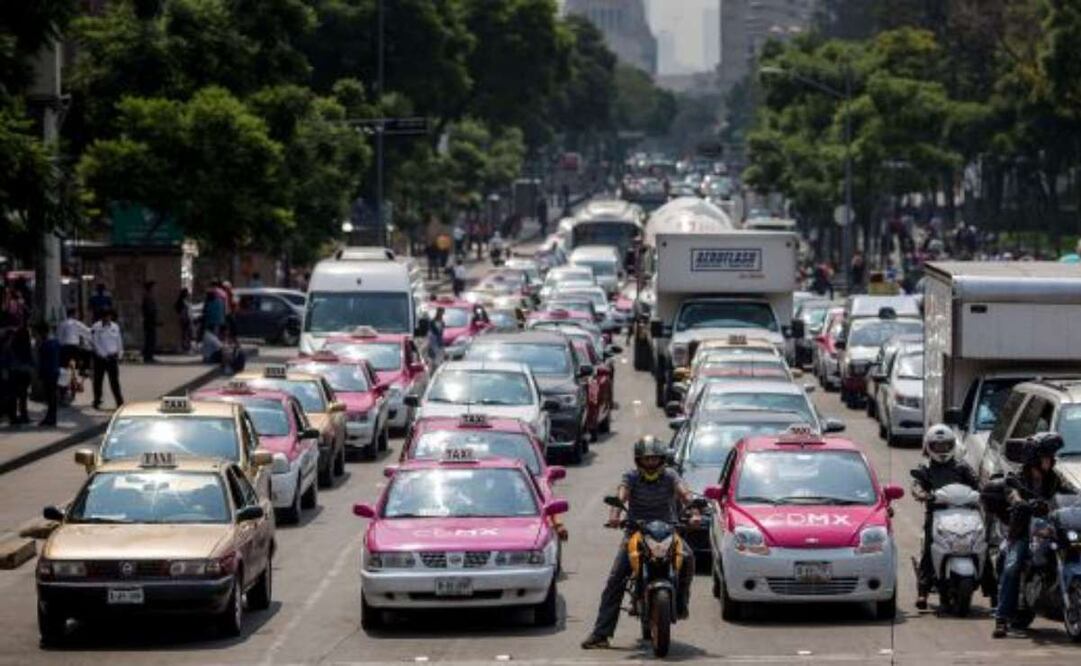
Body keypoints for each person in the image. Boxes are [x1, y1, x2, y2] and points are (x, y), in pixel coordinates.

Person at [581, 436, 699, 650]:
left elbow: (685, 493)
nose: (651, 463)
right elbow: (621, 494)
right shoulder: (631, 477)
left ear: (662, 459)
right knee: (615, 580)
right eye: (647, 459)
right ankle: (601, 634)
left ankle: (681, 603)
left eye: (655, 458)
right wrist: (614, 515)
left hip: (667, 530)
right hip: (636, 532)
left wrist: (694, 511)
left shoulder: (671, 476)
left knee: (689, 558)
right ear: (639, 460)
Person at [989, 432, 1068, 638]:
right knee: (1013, 567)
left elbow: (1069, 492)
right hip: (1023, 531)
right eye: (1046, 456)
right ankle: (1001, 618)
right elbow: (1012, 493)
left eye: (1051, 457)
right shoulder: (1017, 477)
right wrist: (1019, 501)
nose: (1051, 460)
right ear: (1034, 457)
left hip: (1049, 528)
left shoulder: (1054, 478)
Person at [910, 425, 979, 610]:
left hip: (965, 513)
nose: (941, 450)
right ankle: (923, 592)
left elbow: (978, 483)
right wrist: (920, 493)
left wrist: (986, 491)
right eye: (937, 446)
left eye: (946, 446)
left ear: (953, 446)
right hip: (937, 515)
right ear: (928, 447)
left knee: (982, 542)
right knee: (928, 547)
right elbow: (916, 485)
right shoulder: (925, 469)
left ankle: (993, 588)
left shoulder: (962, 467)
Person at [90, 309, 124, 410]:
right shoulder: (96, 327)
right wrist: (102, 355)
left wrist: (120, 353)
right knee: (98, 381)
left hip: (112, 357)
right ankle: (97, 401)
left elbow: (118, 341)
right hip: (101, 358)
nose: (107, 319)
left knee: (114, 381)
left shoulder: (115, 326)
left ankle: (119, 402)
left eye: (109, 317)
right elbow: (95, 342)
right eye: (105, 317)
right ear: (102, 317)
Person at [35, 322, 60, 426]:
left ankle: (51, 418)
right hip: (54, 371)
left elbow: (42, 359)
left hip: (48, 372)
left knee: (50, 396)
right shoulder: (55, 342)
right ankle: (51, 417)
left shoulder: (46, 344)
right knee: (52, 396)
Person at [9, 324, 32, 424]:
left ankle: (13, 416)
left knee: (14, 395)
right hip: (24, 372)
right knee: (23, 396)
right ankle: (24, 415)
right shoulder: (27, 345)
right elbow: (30, 359)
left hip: (14, 372)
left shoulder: (13, 345)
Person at [57, 308, 91, 376]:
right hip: (74, 348)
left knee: (64, 366)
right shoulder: (77, 323)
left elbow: (59, 337)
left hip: (64, 348)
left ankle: (64, 380)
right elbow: (87, 331)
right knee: (87, 353)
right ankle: (83, 370)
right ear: (73, 314)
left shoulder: (62, 323)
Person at [141, 280, 158, 363]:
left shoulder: (150, 297)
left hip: (150, 321)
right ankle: (148, 357)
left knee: (151, 339)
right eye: (154, 287)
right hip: (149, 321)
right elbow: (148, 310)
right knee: (149, 339)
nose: (155, 289)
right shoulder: (147, 297)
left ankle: (149, 356)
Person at [175, 288, 193, 352]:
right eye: (186, 293)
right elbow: (182, 310)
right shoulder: (182, 301)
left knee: (186, 333)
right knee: (186, 333)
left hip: (185, 318)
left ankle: (186, 346)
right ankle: (185, 346)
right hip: (185, 319)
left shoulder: (185, 301)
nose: (187, 294)